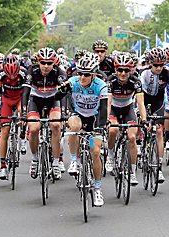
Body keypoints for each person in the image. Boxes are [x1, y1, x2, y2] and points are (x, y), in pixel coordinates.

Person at [57, 54, 109, 207]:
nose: (82, 77)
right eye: (80, 73)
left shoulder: (101, 85)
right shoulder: (73, 82)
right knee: (74, 127)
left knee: (96, 153)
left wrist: (99, 127)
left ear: (94, 74)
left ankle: (98, 189)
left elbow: (105, 108)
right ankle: (74, 160)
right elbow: (56, 96)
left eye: (86, 74)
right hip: (77, 114)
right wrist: (62, 90)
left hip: (94, 118)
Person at [22, 47, 67, 179]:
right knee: (34, 129)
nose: (46, 66)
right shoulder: (31, 71)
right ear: (38, 62)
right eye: (43, 63)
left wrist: (63, 112)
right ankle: (35, 159)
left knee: (56, 126)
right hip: (36, 101)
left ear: (54, 63)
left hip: (53, 100)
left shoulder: (59, 72)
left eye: (49, 63)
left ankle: (56, 163)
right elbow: (25, 92)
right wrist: (24, 112)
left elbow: (64, 93)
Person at [105, 54, 146, 186]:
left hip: (128, 109)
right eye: (120, 70)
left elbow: (140, 103)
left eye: (126, 70)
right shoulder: (110, 81)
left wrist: (144, 119)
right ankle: (110, 155)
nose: (123, 73)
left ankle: (132, 172)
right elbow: (108, 102)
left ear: (131, 70)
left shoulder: (136, 81)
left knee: (132, 138)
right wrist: (106, 119)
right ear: (115, 70)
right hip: (113, 109)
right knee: (113, 129)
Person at [139, 47, 169, 183]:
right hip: (144, 99)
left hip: (158, 102)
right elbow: (138, 95)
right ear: (150, 63)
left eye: (162, 65)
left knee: (159, 132)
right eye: (156, 65)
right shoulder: (143, 73)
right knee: (142, 120)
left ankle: (159, 167)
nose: (159, 68)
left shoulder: (167, 73)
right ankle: (140, 143)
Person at [0, 57, 29, 180]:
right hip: (6, 100)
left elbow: (26, 93)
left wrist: (24, 113)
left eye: (14, 75)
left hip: (20, 99)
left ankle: (23, 135)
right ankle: (3, 165)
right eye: (10, 75)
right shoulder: (0, 74)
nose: (13, 78)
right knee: (5, 131)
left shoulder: (24, 73)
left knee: (23, 112)